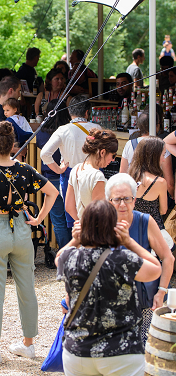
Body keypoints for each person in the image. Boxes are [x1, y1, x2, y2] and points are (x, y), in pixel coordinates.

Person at [0, 121, 58, 364]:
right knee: (27, 289)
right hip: (22, 228)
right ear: (14, 145)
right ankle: (29, 344)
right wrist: (40, 217)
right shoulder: (25, 169)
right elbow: (52, 192)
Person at [56, 200, 161, 376]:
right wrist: (128, 241)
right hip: (121, 349)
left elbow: (59, 256)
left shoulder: (70, 258)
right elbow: (156, 269)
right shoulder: (122, 259)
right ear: (112, 227)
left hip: (79, 350)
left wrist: (75, 239)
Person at [106, 173, 174, 344]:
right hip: (111, 303)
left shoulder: (145, 221)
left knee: (143, 350)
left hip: (143, 301)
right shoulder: (101, 223)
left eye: (127, 199)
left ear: (134, 200)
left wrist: (162, 291)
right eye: (117, 199)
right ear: (109, 201)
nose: (122, 204)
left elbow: (167, 257)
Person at [40, 94, 100, 228]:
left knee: (74, 218)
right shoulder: (97, 129)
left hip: (70, 175)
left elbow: (44, 153)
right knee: (92, 216)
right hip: (94, 176)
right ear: (87, 112)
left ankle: (72, 247)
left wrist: (58, 169)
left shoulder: (63, 130)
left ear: (69, 111)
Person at [36, 99, 72, 248]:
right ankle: (75, 253)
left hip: (50, 180)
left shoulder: (42, 132)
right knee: (73, 217)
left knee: (58, 220)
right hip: (68, 179)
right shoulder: (68, 131)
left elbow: (39, 146)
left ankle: (64, 252)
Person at [129, 136, 174, 249]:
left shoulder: (130, 177)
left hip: (133, 229)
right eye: (163, 155)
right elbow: (163, 211)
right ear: (154, 156)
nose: (164, 159)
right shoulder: (160, 182)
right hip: (153, 231)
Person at [65, 128, 118, 222]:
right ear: (103, 152)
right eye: (113, 155)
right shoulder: (97, 176)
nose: (113, 160)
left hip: (83, 230)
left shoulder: (76, 169)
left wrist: (81, 223)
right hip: (96, 232)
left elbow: (69, 207)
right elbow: (99, 214)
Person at [120, 112, 174, 198]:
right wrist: (172, 198)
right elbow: (170, 184)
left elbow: (122, 175)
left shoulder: (129, 144)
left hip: (133, 196)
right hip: (155, 197)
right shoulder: (162, 146)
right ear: (156, 126)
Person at [0, 76, 21, 157]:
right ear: (11, 90)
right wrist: (18, 150)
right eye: (18, 91)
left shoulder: (5, 111)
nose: (19, 95)